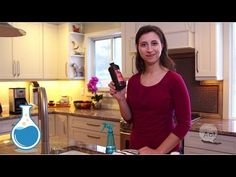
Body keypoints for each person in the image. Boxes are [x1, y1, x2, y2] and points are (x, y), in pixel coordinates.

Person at [108, 25, 191, 154]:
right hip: (137, 149)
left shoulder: (174, 79)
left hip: (165, 151)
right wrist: (121, 99)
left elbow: (184, 124)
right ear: (138, 48)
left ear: (162, 45)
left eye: (154, 43)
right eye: (144, 44)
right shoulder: (134, 81)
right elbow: (130, 118)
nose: (149, 49)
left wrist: (158, 152)